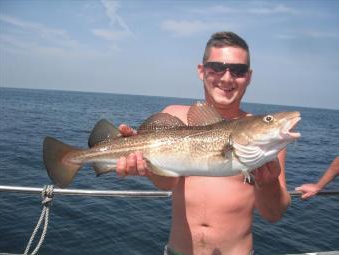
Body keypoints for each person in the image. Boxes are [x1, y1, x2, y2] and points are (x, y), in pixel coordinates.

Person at [116, 31, 291, 255]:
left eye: (238, 70)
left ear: (249, 76)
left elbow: (273, 214)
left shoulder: (267, 138)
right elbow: (167, 184)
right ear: (201, 70)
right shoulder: (173, 116)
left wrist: (268, 183)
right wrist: (146, 165)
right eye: (216, 67)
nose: (227, 78)